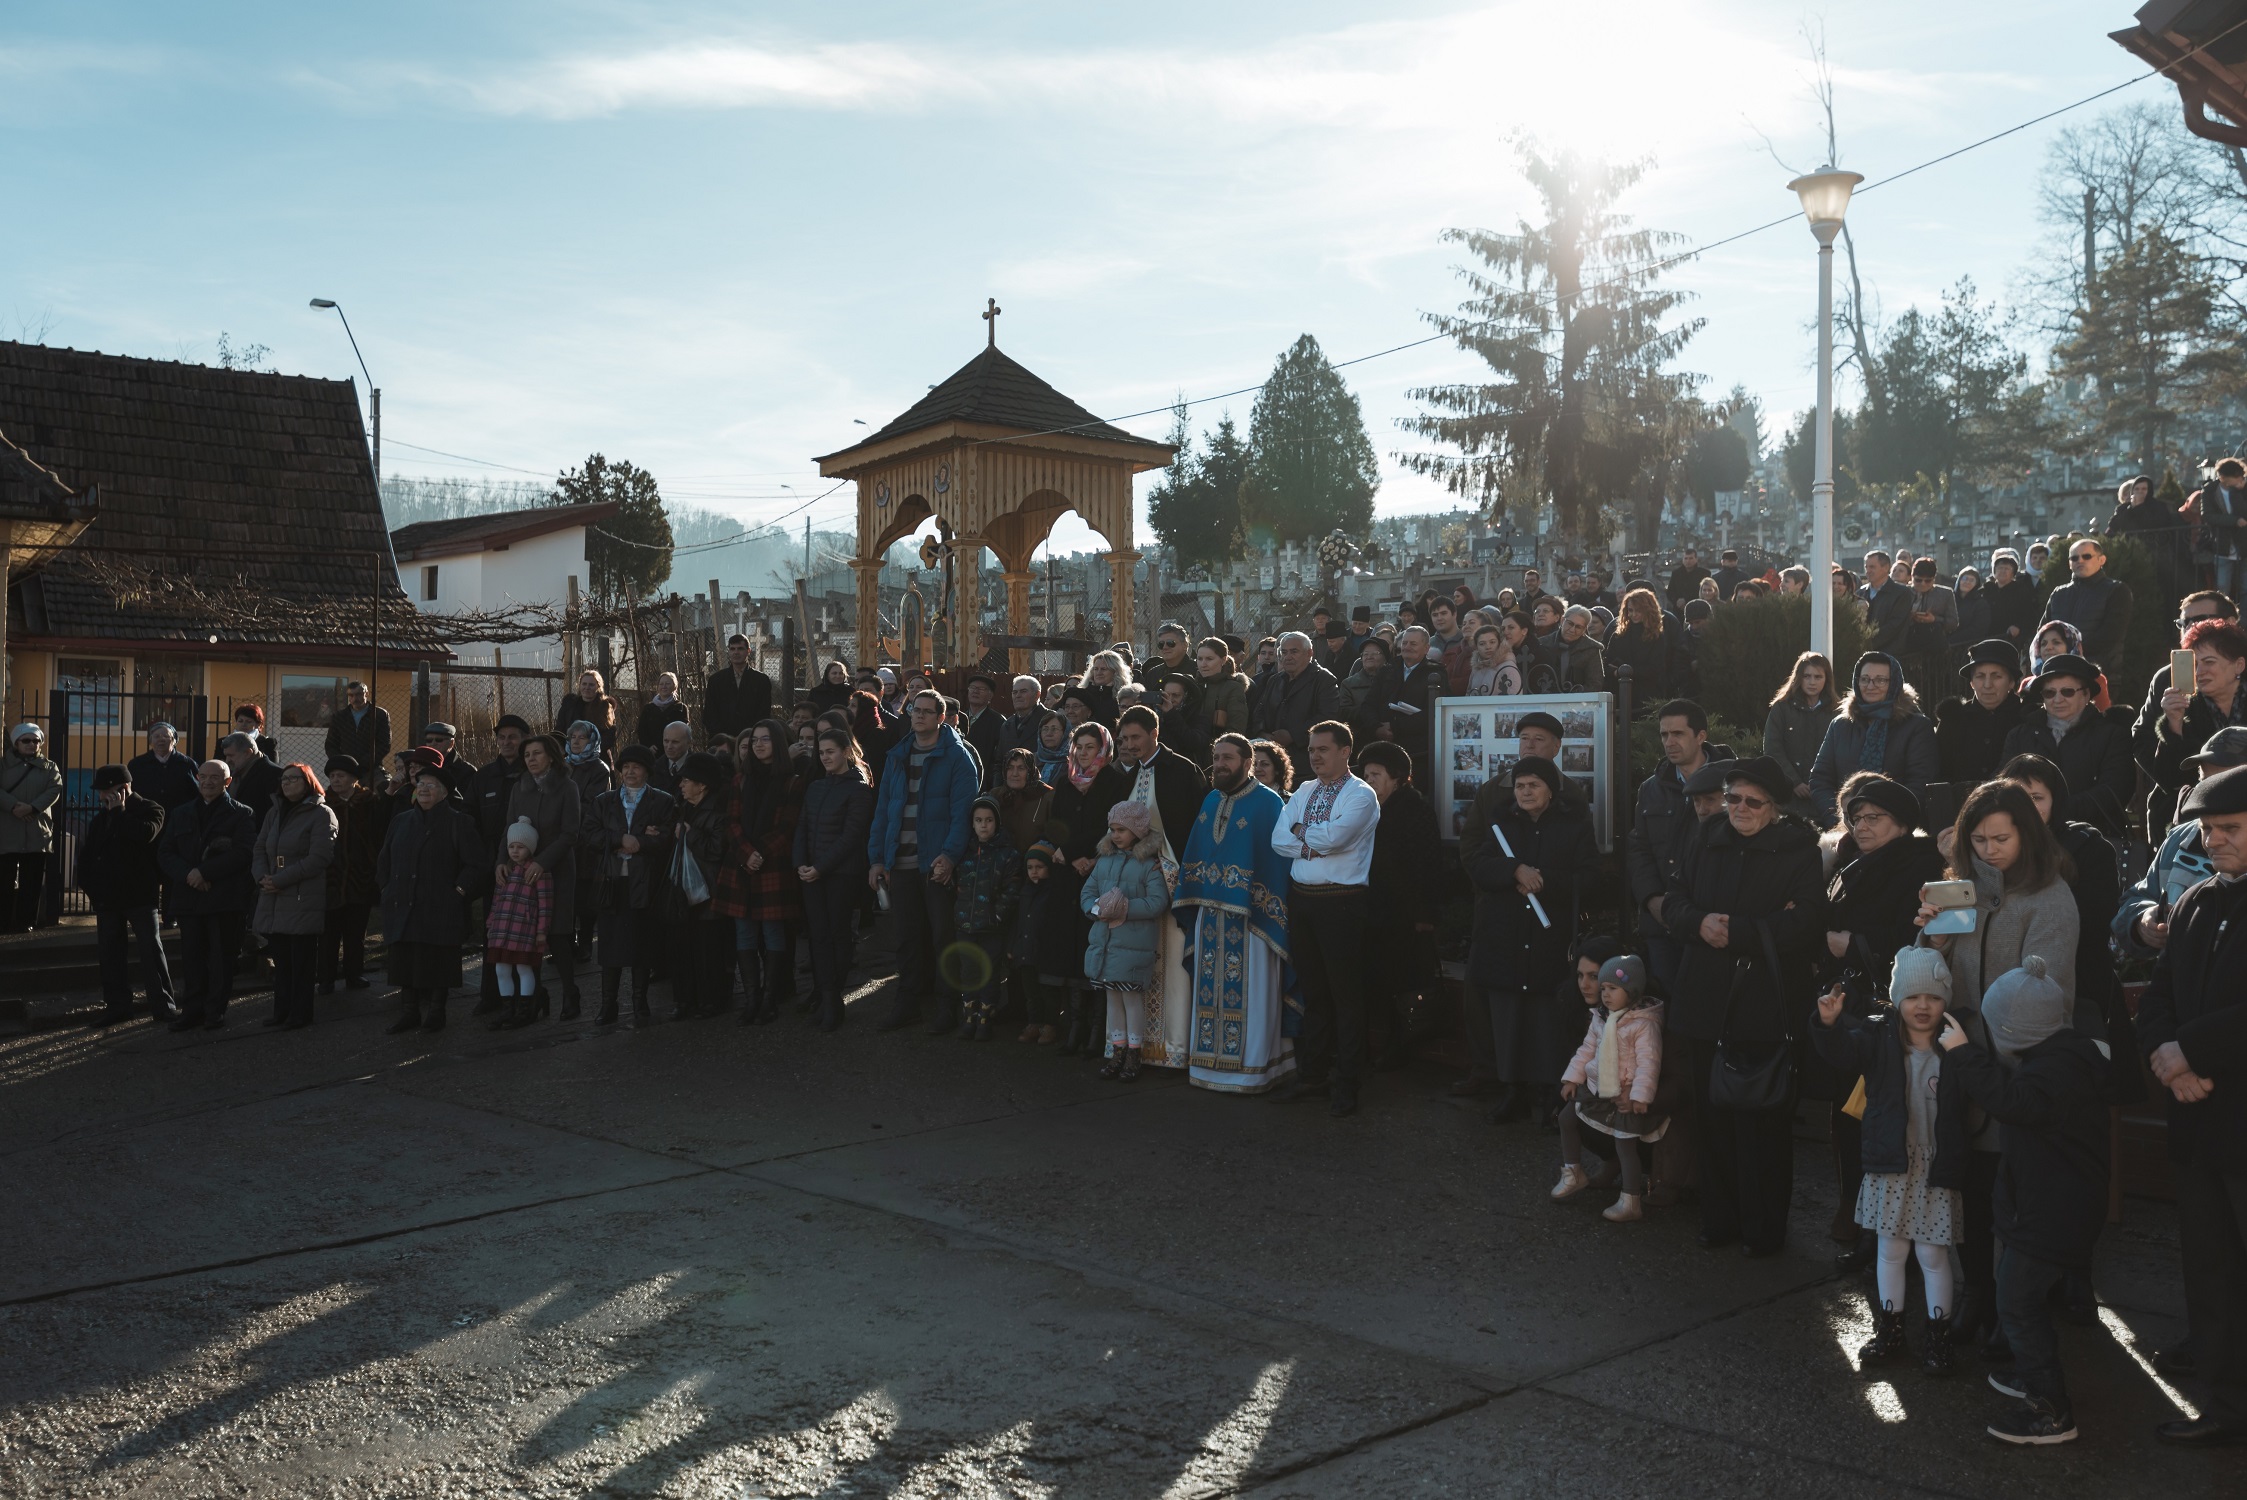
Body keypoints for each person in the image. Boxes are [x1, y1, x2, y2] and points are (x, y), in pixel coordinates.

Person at [1913, 780, 2084, 1356]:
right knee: (1970, 1188)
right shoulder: (1963, 892)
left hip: (2017, 1072)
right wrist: (1932, 939)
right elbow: (1929, 980)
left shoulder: (2051, 897)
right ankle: (1978, 1295)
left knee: (2014, 1198)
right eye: (1979, 840)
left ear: (2027, 835)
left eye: (2001, 839)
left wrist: (1996, 1064)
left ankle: (2016, 1312)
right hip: (1961, 1061)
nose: (1989, 850)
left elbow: (2047, 994)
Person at [1940, 957, 2111, 1446]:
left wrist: (1963, 1053)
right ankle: (2034, 1375)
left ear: (2011, 1032)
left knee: (2016, 1302)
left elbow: (2009, 1101)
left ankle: (2050, 1410)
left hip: (2050, 1213)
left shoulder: (2049, 1076)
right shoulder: (2067, 1059)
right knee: (2024, 1298)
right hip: (2053, 1207)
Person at [1665, 756, 1825, 1258]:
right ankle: (1719, 1219)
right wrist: (1697, 922)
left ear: (1774, 808)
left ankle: (1763, 1229)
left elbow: (1805, 923)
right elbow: (1674, 901)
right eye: (1732, 797)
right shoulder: (1705, 837)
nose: (1740, 808)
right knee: (1711, 1118)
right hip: (1706, 1000)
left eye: (1753, 802)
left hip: (1764, 1004)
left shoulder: (1798, 849)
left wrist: (1736, 931)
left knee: (1763, 1123)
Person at [2134, 763, 2247, 1446]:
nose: (2214, 841)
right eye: (2207, 830)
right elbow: (2159, 997)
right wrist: (2167, 1057)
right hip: (2198, 1120)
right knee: (2209, 1269)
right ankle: (2225, 1403)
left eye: (2229, 828)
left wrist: (2190, 1052)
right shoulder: (2199, 900)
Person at [1815, 946, 1970, 1374]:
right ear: (1897, 998)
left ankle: (1938, 1337)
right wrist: (1828, 1024)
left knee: (1934, 1255)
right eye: (1913, 996)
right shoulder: (1877, 1037)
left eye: (1933, 997)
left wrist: (1964, 1053)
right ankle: (1890, 1331)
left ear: (1945, 1001)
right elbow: (1841, 1053)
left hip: (1936, 1167)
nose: (1923, 1006)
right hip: (1891, 1163)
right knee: (1890, 1251)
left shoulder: (1955, 1044)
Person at [1469, 754, 1597, 1126]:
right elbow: (1479, 866)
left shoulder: (1574, 825)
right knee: (1510, 1019)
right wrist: (1514, 870)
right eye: (1520, 786)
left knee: (1547, 1021)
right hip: (1506, 937)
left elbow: (1589, 877)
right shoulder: (1501, 823)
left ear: (1550, 790)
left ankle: (1550, 1095)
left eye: (1533, 785)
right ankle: (1514, 1091)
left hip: (1549, 939)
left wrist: (1543, 880)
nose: (1525, 792)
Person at [1174, 733, 1296, 1093]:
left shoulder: (1269, 802)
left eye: (1227, 758)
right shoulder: (1210, 800)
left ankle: (1254, 1069)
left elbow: (1276, 866)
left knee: (1255, 993)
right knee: (1208, 992)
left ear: (1247, 762)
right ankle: (1208, 1066)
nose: (1219, 764)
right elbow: (1197, 853)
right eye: (1216, 757)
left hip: (1253, 920)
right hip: (1210, 916)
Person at [1273, 720, 1381, 1117]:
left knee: (1345, 996)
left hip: (1342, 903)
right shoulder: (1304, 790)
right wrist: (1309, 841)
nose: (1315, 756)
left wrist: (1300, 830)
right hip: (1302, 899)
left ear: (1345, 751)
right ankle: (1314, 1076)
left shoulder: (1362, 795)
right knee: (1314, 993)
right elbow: (1278, 839)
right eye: (1311, 750)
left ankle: (1348, 1082)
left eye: (1323, 749)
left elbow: (1336, 840)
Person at [1091, 704, 1209, 1067]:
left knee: (1171, 965)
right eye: (1124, 738)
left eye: (1136, 737)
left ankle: (1171, 1049)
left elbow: (1195, 830)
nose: (1129, 745)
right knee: (1125, 971)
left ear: (1155, 733)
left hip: (1169, 885)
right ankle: (1127, 1048)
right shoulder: (1125, 774)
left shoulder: (1183, 770)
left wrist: (1172, 868)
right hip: (1130, 887)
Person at [869, 690, 980, 1034]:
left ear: (941, 718)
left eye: (926, 712)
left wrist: (949, 856)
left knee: (943, 938)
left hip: (935, 865)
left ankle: (947, 1008)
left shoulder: (958, 758)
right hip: (900, 863)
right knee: (906, 938)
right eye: (915, 710)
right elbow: (883, 810)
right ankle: (907, 1005)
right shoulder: (898, 755)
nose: (918, 716)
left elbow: (963, 814)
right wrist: (877, 858)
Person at [1621, 701, 1732, 996]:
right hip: (1661, 924)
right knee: (1666, 1005)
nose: (1669, 742)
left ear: (1701, 736)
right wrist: (1652, 899)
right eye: (1664, 734)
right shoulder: (1651, 789)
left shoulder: (1734, 784)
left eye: (1678, 734)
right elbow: (1639, 849)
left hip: (1711, 921)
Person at [375, 762, 488, 1035]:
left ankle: (437, 1012)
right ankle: (409, 1012)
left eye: (431, 785)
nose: (424, 789)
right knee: (405, 959)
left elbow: (476, 865)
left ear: (445, 793)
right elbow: (384, 858)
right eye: (420, 784)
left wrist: (458, 892)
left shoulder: (459, 822)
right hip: (403, 902)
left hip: (440, 906)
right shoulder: (401, 821)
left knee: (438, 960)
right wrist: (387, 888)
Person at [1553, 954, 1666, 1223]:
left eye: (1613, 988)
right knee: (1566, 1118)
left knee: (1624, 1145)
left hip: (1624, 1093)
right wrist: (1572, 1078)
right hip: (1597, 1085)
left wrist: (1640, 1096)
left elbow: (1649, 1063)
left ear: (1632, 991)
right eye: (1603, 988)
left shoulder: (1643, 1024)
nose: (1605, 994)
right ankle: (1573, 1172)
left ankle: (1631, 1200)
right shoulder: (1601, 1018)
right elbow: (1587, 1049)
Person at [157, 759, 259, 1031]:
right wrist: (189, 874)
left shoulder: (242, 814)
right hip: (189, 899)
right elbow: (165, 852)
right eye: (203, 776)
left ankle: (215, 1011)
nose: (208, 781)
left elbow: (243, 853)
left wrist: (204, 872)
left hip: (224, 899)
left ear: (227, 782)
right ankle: (192, 1012)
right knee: (191, 959)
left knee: (221, 959)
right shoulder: (181, 813)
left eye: (215, 777)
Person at [1359, 741, 1440, 1071]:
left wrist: (1424, 915)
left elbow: (1428, 866)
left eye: (1376, 774)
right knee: (1377, 979)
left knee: (1403, 982)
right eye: (1366, 775)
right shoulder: (1367, 808)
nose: (1369, 780)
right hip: (1373, 909)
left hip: (1404, 915)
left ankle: (1400, 1048)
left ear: (1397, 777)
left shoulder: (1415, 809)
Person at [724, 719, 808, 1027]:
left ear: (778, 744)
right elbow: (731, 821)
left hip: (773, 865)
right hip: (742, 864)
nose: (758, 745)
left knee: (773, 931)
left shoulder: (792, 782)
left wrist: (759, 853)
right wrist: (747, 853)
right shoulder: (740, 780)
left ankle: (770, 999)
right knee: (744, 932)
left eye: (766, 739)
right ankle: (752, 999)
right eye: (755, 740)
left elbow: (788, 827)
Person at [1079, 798, 1170, 1080]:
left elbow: (1157, 902)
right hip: (1106, 943)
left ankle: (1134, 1054)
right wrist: (1095, 909)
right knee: (1112, 999)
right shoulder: (1104, 860)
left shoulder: (1148, 865)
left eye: (1121, 830)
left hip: (1133, 946)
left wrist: (1124, 908)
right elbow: (1087, 892)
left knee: (1131, 1000)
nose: (1115, 835)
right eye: (1113, 829)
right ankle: (1117, 1051)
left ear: (1137, 831)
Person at [77, 764, 174, 1025]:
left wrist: (119, 812)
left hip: (139, 895)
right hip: (108, 897)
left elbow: (145, 835)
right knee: (110, 955)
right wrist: (91, 888)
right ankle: (117, 1007)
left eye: (106, 790)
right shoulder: (101, 818)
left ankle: (163, 1006)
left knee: (151, 951)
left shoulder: (150, 809)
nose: (101, 796)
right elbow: (88, 855)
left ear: (124, 788)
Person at [1999, 654, 2133, 838]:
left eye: (2067, 692)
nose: (2057, 699)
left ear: (2086, 694)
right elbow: (2003, 783)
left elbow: (2115, 790)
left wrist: (2055, 810)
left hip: (2094, 837)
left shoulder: (2112, 735)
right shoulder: (2019, 735)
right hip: (2029, 836)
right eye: (2049, 693)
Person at [498, 734, 584, 1023]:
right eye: (527, 755)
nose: (531, 759)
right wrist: (501, 862)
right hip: (522, 873)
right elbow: (509, 828)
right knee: (526, 935)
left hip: (557, 870)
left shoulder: (567, 787)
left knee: (557, 934)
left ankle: (570, 994)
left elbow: (570, 833)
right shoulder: (519, 787)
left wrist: (542, 861)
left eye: (537, 753)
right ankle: (533, 997)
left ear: (551, 756)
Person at [793, 728, 873, 1033]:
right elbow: (802, 827)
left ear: (846, 752)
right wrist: (801, 864)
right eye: (821, 752)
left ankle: (833, 1000)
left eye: (831, 751)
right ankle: (826, 998)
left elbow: (851, 836)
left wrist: (820, 867)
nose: (825, 757)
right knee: (818, 936)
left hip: (841, 874)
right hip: (812, 873)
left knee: (837, 934)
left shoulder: (859, 789)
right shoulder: (815, 787)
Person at [590, 744, 674, 1028]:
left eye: (636, 767)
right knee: (609, 947)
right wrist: (619, 839)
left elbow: (667, 838)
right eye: (625, 767)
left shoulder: (662, 801)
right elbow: (589, 834)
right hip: (611, 882)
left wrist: (641, 841)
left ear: (647, 771)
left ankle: (640, 1002)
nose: (629, 772)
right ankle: (608, 1004)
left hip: (644, 883)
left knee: (641, 944)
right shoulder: (604, 801)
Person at [2140, 618, 2247, 842]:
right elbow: (2169, 780)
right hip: (2193, 824)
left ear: (2239, 665)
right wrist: (2174, 724)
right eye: (2194, 664)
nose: (2199, 671)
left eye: (2209, 662)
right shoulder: (2185, 706)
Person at [250, 763, 337, 1030]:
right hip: (273, 895)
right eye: (284, 779)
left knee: (301, 961)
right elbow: (260, 848)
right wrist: (262, 877)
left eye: (294, 779)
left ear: (308, 782)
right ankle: (281, 1011)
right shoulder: (274, 812)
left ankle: (300, 1013)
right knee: (282, 960)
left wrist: (280, 880)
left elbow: (319, 858)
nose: (287, 783)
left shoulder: (321, 814)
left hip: (301, 897)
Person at [1807, 653, 1940, 826]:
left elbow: (1920, 783)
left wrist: (1886, 822)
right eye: (1865, 679)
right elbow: (1820, 779)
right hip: (1843, 827)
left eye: (1880, 680)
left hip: (1896, 828)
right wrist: (1840, 820)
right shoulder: (1840, 725)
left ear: (1894, 683)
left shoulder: (1916, 726)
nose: (1871, 686)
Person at [666, 750, 737, 1019]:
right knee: (683, 947)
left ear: (703, 785)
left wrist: (690, 834)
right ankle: (686, 999)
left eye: (687, 780)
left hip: (709, 890)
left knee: (709, 948)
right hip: (685, 890)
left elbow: (716, 850)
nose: (682, 785)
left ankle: (711, 999)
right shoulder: (684, 808)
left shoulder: (718, 812)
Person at [948, 795, 1023, 1042]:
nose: (983, 825)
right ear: (972, 823)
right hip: (965, 925)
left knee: (989, 974)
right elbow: (955, 884)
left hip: (992, 927)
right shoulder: (964, 851)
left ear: (997, 822)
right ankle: (969, 1018)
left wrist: (997, 915)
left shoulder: (1008, 854)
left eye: (989, 820)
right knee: (969, 972)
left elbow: (1012, 890)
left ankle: (985, 1020)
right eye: (979, 820)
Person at [318, 756, 383, 995]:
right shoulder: (324, 802)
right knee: (328, 932)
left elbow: (377, 835)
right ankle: (325, 978)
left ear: (354, 779)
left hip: (360, 875)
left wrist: (371, 864)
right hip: (331, 876)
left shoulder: (369, 802)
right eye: (332, 776)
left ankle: (354, 973)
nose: (335, 780)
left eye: (341, 776)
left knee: (356, 931)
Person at [485, 819, 553, 1022]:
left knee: (523, 967)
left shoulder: (539, 872)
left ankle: (524, 1010)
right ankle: (507, 1010)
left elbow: (545, 904)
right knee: (501, 968)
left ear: (530, 848)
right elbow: (496, 901)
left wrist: (541, 931)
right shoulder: (505, 870)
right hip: (501, 928)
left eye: (520, 847)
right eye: (511, 846)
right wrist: (490, 924)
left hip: (524, 929)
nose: (515, 851)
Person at [1936, 640, 2027, 785]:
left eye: (1996, 676)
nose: (1987, 685)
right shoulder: (1952, 721)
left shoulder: (2026, 720)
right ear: (1971, 682)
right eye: (1980, 676)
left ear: (2011, 682)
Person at [1362, 626, 1442, 791]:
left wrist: (1395, 727)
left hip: (1417, 752)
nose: (1407, 647)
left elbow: (1435, 713)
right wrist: (1376, 727)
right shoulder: (1387, 670)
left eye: (1413, 643)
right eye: (1405, 643)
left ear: (1426, 648)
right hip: (1384, 747)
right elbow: (1368, 705)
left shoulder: (1436, 673)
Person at [1763, 653, 1838, 821]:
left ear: (1826, 679)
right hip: (1787, 797)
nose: (1812, 682)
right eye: (1807, 676)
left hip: (1825, 798)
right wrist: (1794, 782)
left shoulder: (1837, 713)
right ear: (1798, 678)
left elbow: (1840, 755)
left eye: (1818, 677)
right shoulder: (1781, 708)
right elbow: (1772, 749)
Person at [0, 723, 61, 932]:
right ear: (16, 743)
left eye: (36, 741)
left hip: (36, 832)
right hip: (7, 832)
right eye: (26, 740)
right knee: (4, 881)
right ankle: (3, 922)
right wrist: (13, 806)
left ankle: (25, 922)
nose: (32, 744)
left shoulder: (49, 767)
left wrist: (32, 808)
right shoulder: (3, 765)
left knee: (32, 882)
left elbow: (55, 788)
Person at [2041, 537, 2133, 669]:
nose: (2080, 561)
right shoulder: (2058, 593)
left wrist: (2071, 651)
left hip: (2097, 669)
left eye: (2086, 556)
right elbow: (2043, 631)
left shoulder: (2116, 590)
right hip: (2058, 668)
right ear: (2069, 564)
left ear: (2101, 560)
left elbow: (2110, 635)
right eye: (2074, 558)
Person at [2106, 471, 2191, 610]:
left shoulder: (2158, 506)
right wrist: (2132, 508)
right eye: (2137, 489)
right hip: (2131, 553)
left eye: (2144, 489)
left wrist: (2140, 508)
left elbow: (2155, 523)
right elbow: (2115, 525)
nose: (2140, 492)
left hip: (2156, 555)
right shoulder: (2124, 508)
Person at [1251, 631, 1346, 756]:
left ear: (1309, 653)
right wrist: (1263, 733)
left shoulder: (1324, 680)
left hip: (1307, 754)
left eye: (1294, 652)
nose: (1288, 657)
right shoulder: (1274, 680)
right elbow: (1259, 710)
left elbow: (1327, 717)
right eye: (1284, 652)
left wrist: (1293, 735)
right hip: (1272, 753)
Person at [1604, 588, 1675, 707]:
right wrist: (1615, 672)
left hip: (1647, 695)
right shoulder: (1618, 635)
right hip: (1620, 694)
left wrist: (1626, 672)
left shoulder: (1656, 637)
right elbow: (1607, 663)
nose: (1634, 614)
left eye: (1638, 610)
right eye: (1630, 610)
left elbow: (1656, 668)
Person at [1901, 558, 1960, 701]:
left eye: (1928, 581)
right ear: (1911, 577)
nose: (1923, 584)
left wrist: (1934, 619)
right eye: (1918, 580)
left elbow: (1953, 622)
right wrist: (1908, 617)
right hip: (1908, 648)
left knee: (1935, 690)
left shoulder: (1945, 593)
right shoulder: (1903, 592)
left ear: (1934, 579)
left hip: (1935, 650)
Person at [704, 635, 776, 743]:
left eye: (740, 649)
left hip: (751, 739)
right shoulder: (716, 680)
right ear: (729, 652)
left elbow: (763, 713)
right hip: (721, 740)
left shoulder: (761, 680)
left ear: (748, 651)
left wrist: (747, 737)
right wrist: (724, 738)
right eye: (732, 649)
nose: (736, 652)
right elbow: (710, 712)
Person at [2195, 456, 2247, 601]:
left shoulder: (2243, 489)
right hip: (2223, 545)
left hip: (2244, 544)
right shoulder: (2210, 491)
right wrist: (2234, 521)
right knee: (2223, 587)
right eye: (2236, 477)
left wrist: (2240, 492)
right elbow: (2208, 515)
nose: (2240, 479)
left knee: (2245, 587)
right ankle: (2224, 614)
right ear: (2223, 478)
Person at [129, 721, 202, 812]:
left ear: (174, 740)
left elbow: (197, 792)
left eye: (166, 736)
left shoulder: (187, 764)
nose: (161, 739)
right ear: (150, 741)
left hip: (179, 816)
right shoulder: (137, 764)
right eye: (157, 736)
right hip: (147, 815)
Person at [1193, 638, 1252, 745]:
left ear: (1223, 660)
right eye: (1199, 659)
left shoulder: (1233, 688)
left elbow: (1236, 729)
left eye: (1209, 659)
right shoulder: (1192, 686)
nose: (1203, 664)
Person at [323, 680, 391, 772]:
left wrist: (365, 763)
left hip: (371, 768)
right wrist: (342, 762)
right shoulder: (339, 716)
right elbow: (331, 744)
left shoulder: (379, 715)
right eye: (351, 695)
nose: (355, 698)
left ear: (366, 694)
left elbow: (384, 744)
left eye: (359, 694)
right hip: (346, 768)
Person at [1983, 550, 2041, 650]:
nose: (2003, 571)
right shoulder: (1986, 590)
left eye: (2007, 568)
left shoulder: (2021, 591)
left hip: (2011, 640)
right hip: (1987, 638)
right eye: (2000, 568)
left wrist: (2018, 627)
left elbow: (2029, 616)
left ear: (2013, 573)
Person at [1859, 551, 1912, 656]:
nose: (1868, 571)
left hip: (1890, 654)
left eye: (1872, 567)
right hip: (1863, 654)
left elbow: (1894, 625)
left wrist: (1868, 641)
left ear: (1886, 568)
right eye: (1866, 567)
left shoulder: (1901, 593)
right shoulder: (1860, 593)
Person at [556, 669, 621, 751]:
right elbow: (559, 730)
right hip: (570, 752)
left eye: (591, 685)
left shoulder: (605, 707)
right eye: (584, 684)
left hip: (596, 753)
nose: (587, 688)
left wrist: (588, 749)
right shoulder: (569, 705)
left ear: (598, 687)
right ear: (579, 685)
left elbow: (609, 735)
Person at [634, 672, 690, 748]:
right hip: (653, 751)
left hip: (674, 750)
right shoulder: (648, 709)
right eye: (661, 684)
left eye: (667, 684)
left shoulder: (681, 708)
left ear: (674, 686)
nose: (664, 686)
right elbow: (642, 731)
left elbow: (683, 732)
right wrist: (648, 746)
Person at [1950, 566, 1990, 651]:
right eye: (1965, 578)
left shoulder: (1980, 603)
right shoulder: (1949, 599)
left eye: (1971, 580)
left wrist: (1952, 640)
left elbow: (1978, 629)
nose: (1967, 582)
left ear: (1976, 584)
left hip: (1968, 648)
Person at [1666, 548, 1710, 614]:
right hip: (1678, 610)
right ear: (1682, 559)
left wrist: (1686, 600)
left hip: (1697, 609)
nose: (1688, 561)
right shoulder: (1676, 574)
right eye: (1686, 558)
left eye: (1691, 558)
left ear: (1696, 559)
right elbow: (1670, 592)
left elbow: (1704, 591)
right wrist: (1677, 601)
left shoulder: (1704, 573)